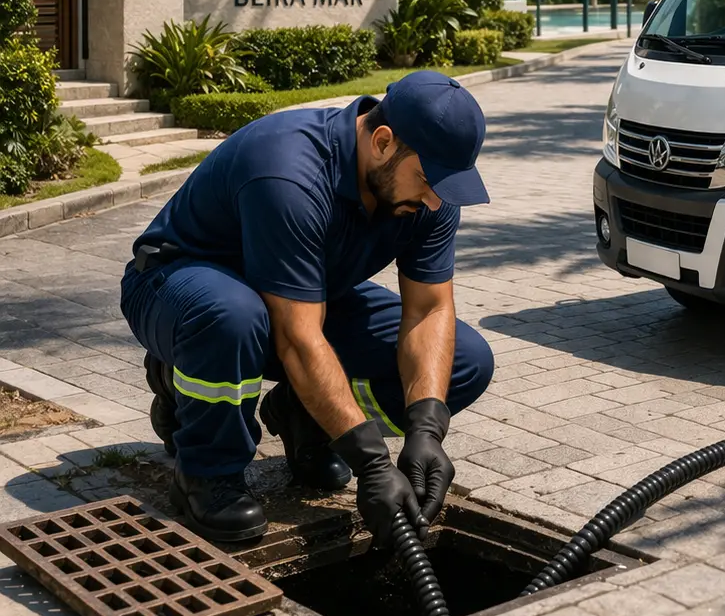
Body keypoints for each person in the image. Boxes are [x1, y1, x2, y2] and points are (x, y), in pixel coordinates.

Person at [120, 70, 495, 545]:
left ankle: (305, 418)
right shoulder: (290, 170)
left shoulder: (430, 193)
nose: (434, 198)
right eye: (426, 179)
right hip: (179, 287)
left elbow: (428, 311)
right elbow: (298, 338)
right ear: (381, 142)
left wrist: (427, 429)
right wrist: (372, 463)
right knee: (233, 319)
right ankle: (206, 470)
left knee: (465, 362)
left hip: (304, 298)